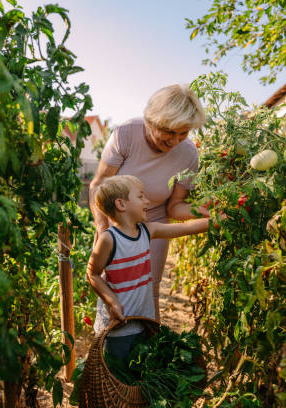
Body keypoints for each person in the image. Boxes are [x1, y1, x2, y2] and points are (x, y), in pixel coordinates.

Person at [89, 83, 208, 321]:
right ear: (152, 122)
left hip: (153, 220)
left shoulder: (188, 154)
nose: (175, 141)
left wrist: (203, 211)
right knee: (114, 285)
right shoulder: (126, 134)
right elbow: (99, 185)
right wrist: (103, 230)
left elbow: (174, 207)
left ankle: (148, 344)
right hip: (117, 222)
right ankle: (109, 340)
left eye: (183, 133)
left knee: (149, 288)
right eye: (169, 131)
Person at [87, 175, 210, 360]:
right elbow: (93, 274)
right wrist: (112, 302)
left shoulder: (147, 230)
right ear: (121, 204)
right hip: (119, 327)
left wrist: (216, 222)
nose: (148, 201)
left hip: (144, 321)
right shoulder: (108, 239)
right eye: (141, 196)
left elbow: (186, 228)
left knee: (139, 372)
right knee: (119, 375)